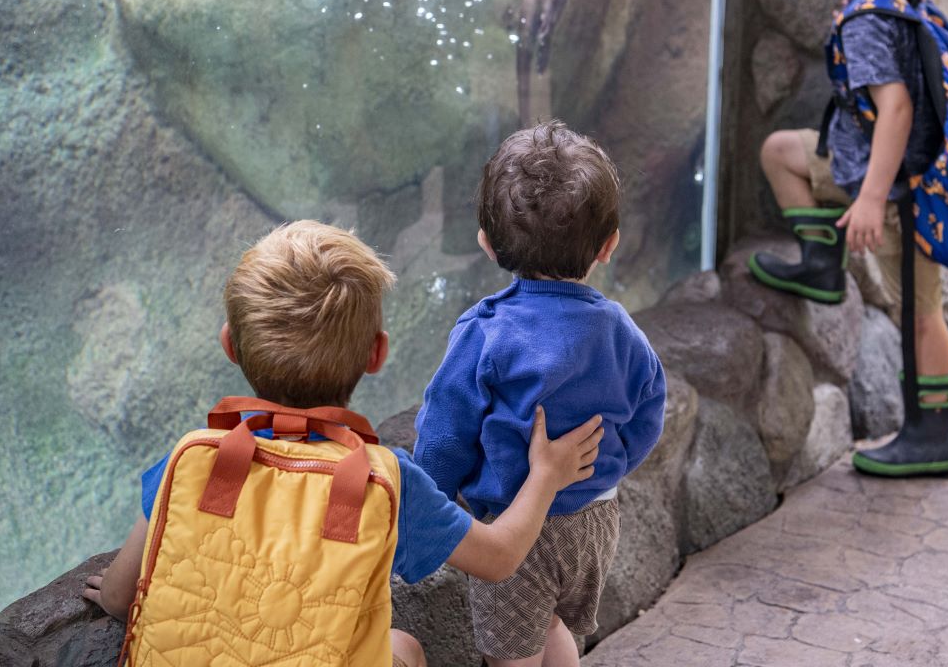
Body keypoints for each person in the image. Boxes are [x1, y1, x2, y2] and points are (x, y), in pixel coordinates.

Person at [82, 220, 605, 667]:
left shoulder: (194, 460)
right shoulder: (382, 479)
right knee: (404, 648)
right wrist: (545, 475)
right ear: (377, 354)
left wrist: (108, 597)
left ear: (229, 347)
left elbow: (120, 594)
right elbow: (499, 558)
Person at [414, 121, 667, 667]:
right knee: (549, 625)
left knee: (513, 656)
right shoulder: (621, 328)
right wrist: (609, 468)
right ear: (609, 246)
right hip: (596, 519)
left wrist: (426, 500)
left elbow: (444, 434)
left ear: (485, 242)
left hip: (516, 527)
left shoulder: (485, 333)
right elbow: (649, 411)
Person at [748, 0, 948, 475]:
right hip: (854, 170)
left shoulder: (869, 20)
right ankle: (822, 265)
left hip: (898, 199)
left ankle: (933, 436)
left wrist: (871, 200)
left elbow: (894, 110)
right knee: (780, 152)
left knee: (921, 313)